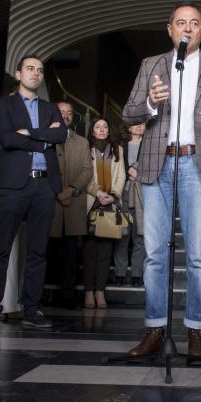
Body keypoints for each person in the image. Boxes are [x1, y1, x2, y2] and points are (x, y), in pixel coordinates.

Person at [122, 3, 201, 361]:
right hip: (156, 164)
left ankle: (197, 334)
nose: (187, 28)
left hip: (197, 164)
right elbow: (128, 112)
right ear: (170, 30)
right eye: (180, 23)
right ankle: (155, 330)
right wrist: (149, 103)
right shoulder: (151, 65)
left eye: (194, 23)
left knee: (199, 257)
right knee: (155, 255)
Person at [0, 55, 67, 331]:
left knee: (38, 251)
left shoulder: (50, 108)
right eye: (30, 69)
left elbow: (60, 136)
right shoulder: (5, 104)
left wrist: (28, 132)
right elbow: (7, 139)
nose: (36, 73)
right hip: (13, 186)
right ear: (18, 74)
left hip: (44, 186)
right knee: (1, 249)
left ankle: (32, 309)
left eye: (40, 70)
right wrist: (43, 139)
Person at [48, 100, 93, 309]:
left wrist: (71, 189)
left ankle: (67, 296)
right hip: (50, 202)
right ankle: (42, 295)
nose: (66, 116)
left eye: (69, 113)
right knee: (46, 251)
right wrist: (57, 191)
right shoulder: (45, 138)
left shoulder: (82, 142)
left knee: (71, 254)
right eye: (61, 112)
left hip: (74, 203)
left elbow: (87, 170)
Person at [81, 116, 125, 309]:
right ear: (92, 130)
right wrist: (96, 192)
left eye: (105, 126)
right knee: (89, 252)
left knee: (105, 253)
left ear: (108, 130)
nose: (101, 129)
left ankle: (100, 291)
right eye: (97, 126)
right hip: (91, 202)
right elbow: (82, 174)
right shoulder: (85, 148)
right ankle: (88, 292)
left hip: (110, 203)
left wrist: (113, 195)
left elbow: (121, 175)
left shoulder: (118, 150)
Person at [114, 122, 146, 287]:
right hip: (123, 194)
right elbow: (115, 168)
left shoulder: (149, 145)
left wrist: (139, 174)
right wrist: (128, 171)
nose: (139, 126)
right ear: (128, 127)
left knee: (140, 236)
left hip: (143, 196)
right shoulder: (120, 146)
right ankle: (120, 273)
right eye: (135, 123)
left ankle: (136, 274)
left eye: (142, 123)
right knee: (122, 235)